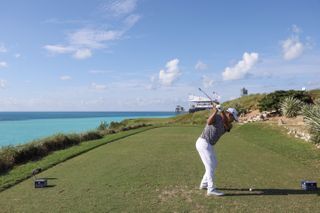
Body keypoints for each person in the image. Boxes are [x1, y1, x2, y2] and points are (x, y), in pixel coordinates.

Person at [195, 104, 238, 196]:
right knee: (210, 166)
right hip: (203, 143)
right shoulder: (217, 117)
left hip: (209, 145)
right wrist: (215, 111)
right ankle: (210, 189)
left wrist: (221, 110)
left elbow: (226, 124)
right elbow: (209, 122)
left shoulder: (229, 125)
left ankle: (204, 184)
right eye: (233, 118)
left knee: (213, 164)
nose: (233, 121)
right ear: (229, 114)